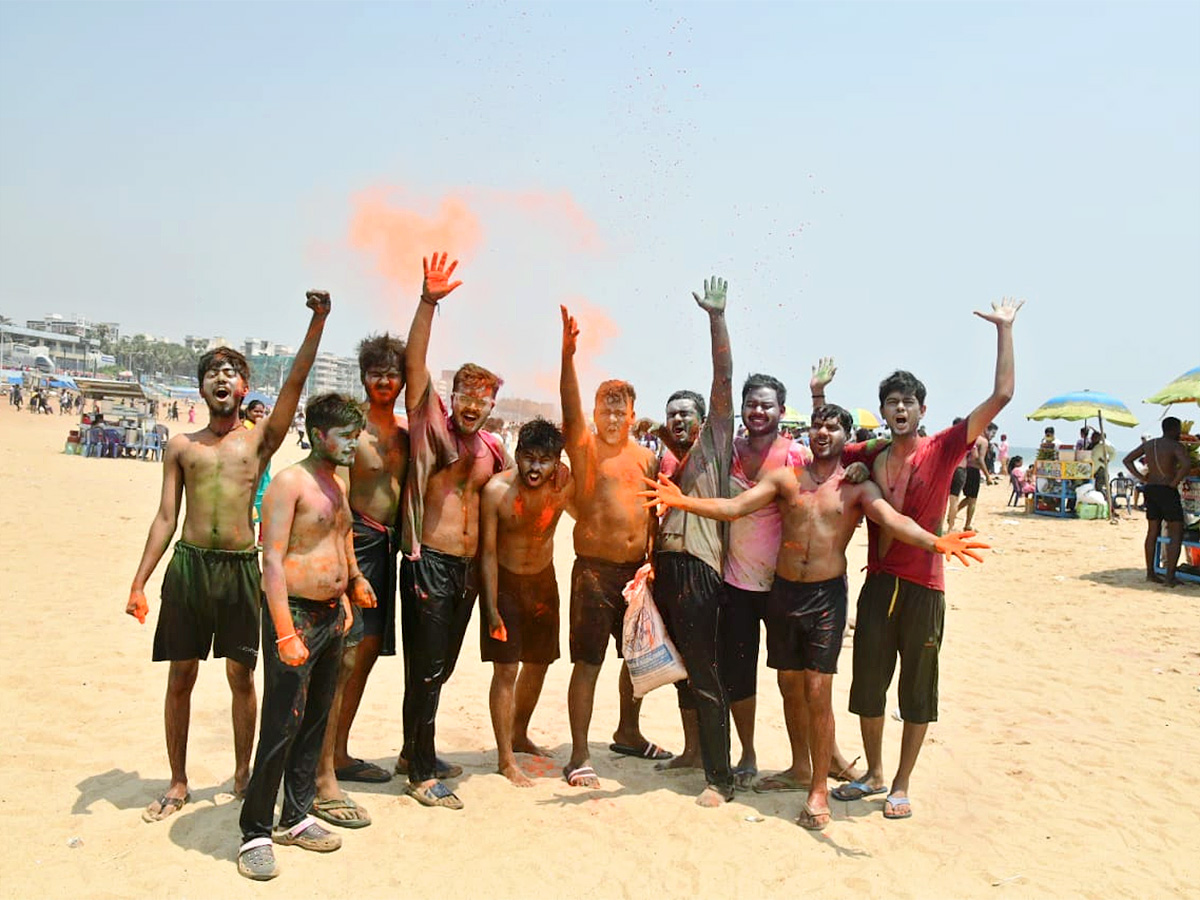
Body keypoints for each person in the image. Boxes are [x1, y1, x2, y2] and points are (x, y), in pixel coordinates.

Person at [642, 403, 985, 829]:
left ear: (846, 438)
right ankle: (799, 768)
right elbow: (736, 508)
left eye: (833, 427)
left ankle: (818, 789)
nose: (823, 432)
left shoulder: (857, 486)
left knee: (818, 690)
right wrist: (683, 501)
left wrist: (936, 543)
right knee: (789, 685)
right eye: (817, 425)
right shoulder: (787, 479)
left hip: (825, 598)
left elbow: (894, 521)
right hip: (784, 592)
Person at [125, 291, 329, 823]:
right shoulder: (181, 447)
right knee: (181, 677)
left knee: (243, 677)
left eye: (231, 372)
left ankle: (242, 774)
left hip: (241, 568)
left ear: (243, 387)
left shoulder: (259, 441)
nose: (221, 379)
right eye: (212, 372)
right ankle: (177, 780)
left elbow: (294, 386)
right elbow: (166, 517)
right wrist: (139, 581)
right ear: (202, 387)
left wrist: (317, 321)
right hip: (189, 567)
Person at [839, 297, 1022, 821]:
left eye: (908, 402)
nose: (900, 409)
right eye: (892, 401)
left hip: (926, 587)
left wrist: (1004, 330)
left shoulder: (943, 448)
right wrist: (820, 400)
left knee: (917, 688)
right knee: (868, 687)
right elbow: (823, 450)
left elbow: (1003, 394)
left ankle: (900, 783)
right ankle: (873, 773)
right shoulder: (869, 454)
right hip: (878, 586)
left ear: (923, 408)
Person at [237, 393, 372, 881]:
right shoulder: (290, 483)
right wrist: (282, 632)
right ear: (319, 436)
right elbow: (271, 559)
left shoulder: (338, 481)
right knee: (280, 724)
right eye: (346, 436)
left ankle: (295, 816)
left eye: (357, 436)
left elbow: (343, 536)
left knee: (316, 719)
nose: (354, 445)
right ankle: (254, 830)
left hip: (332, 615)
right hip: (294, 615)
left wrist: (354, 583)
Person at [399, 252, 510, 809]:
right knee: (424, 668)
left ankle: (413, 749)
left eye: (482, 400)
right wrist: (428, 302)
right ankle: (420, 771)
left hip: (465, 573)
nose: (472, 407)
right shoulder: (432, 430)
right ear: (453, 396)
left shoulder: (492, 449)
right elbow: (414, 364)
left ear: (492, 405)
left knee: (439, 670)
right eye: (464, 397)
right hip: (430, 562)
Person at [558, 305, 668, 790]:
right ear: (595, 412)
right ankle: (580, 753)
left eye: (621, 409)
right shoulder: (584, 447)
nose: (613, 415)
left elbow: (653, 512)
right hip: (593, 572)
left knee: (635, 660)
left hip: (635, 575)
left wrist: (651, 562)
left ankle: (628, 731)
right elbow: (567, 407)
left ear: (631, 415)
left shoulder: (645, 456)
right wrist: (568, 357)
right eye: (606, 407)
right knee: (588, 661)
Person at [315, 333, 409, 830]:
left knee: (367, 652)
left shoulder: (405, 434)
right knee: (348, 651)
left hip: (389, 548)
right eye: (376, 373)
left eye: (393, 373)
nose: (385, 381)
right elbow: (341, 504)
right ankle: (325, 759)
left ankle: (340, 750)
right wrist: (351, 571)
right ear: (364, 377)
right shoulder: (355, 432)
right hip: (359, 546)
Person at [650, 275, 735, 808]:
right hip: (666, 569)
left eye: (688, 413)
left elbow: (723, 380)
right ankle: (690, 751)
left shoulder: (714, 446)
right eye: (672, 413)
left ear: (704, 421)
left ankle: (719, 778)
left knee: (705, 671)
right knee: (680, 666)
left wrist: (715, 319)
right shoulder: (661, 460)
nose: (679, 419)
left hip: (702, 569)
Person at [479, 419, 573, 786]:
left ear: (556, 462)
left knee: (538, 663)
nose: (535, 468)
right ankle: (505, 758)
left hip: (543, 582)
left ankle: (519, 734)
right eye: (528, 458)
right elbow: (486, 553)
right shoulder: (496, 491)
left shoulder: (564, 488)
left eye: (545, 460)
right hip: (505, 583)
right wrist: (490, 607)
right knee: (505, 670)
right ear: (516, 455)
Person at [1123, 417, 1191, 587]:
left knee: (1153, 531)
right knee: (1176, 531)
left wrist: (1141, 478)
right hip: (1166, 489)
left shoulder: (1150, 444)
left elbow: (1127, 460)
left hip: (1151, 488)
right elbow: (1186, 465)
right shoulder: (1175, 446)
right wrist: (1174, 482)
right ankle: (1169, 577)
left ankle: (1150, 573)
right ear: (1175, 429)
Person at [951, 429, 989, 531]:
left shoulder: (969, 438)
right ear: (986, 430)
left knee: (966, 497)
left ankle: (953, 513)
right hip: (973, 470)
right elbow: (980, 459)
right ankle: (967, 524)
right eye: (992, 432)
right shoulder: (983, 441)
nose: (993, 435)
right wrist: (988, 476)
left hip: (962, 468)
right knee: (972, 499)